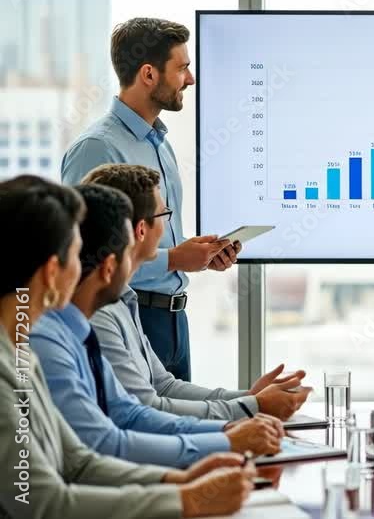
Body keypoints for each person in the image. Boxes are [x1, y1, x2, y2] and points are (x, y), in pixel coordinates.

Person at [0, 176, 253, 518]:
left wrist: (178, 481)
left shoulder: (22, 355)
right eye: (77, 254)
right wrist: (185, 498)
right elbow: (42, 502)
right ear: (51, 272)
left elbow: (78, 461)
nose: (87, 265)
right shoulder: (20, 362)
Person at [30, 183, 282, 467]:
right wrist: (241, 421)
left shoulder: (89, 322)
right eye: (165, 216)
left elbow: (132, 413)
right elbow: (104, 445)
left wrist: (240, 416)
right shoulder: (64, 333)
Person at [62, 17, 237, 382]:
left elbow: (154, 236)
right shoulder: (97, 148)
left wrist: (197, 255)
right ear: (148, 74)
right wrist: (174, 259)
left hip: (175, 322)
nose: (190, 78)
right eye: (182, 68)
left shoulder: (160, 144)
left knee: (184, 424)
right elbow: (87, 255)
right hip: (127, 318)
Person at [81, 163, 311, 420]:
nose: (169, 228)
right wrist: (252, 407)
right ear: (141, 230)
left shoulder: (124, 300)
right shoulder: (100, 313)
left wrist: (250, 398)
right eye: (163, 215)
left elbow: (164, 387)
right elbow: (146, 409)